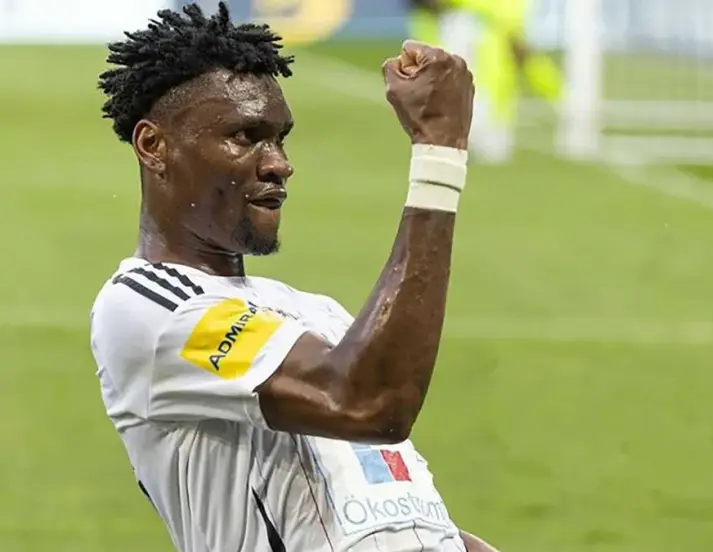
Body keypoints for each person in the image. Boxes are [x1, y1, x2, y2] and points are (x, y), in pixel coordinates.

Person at [90, 2, 498, 551]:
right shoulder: (150, 308)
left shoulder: (315, 312)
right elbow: (368, 403)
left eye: (280, 138)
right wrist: (438, 158)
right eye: (245, 136)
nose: (279, 163)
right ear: (153, 145)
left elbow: (402, 515)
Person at [407, 0, 562, 165]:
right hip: (470, 97)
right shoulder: (440, 22)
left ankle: (562, 102)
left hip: (489, 102)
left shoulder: (473, 20)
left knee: (491, 150)